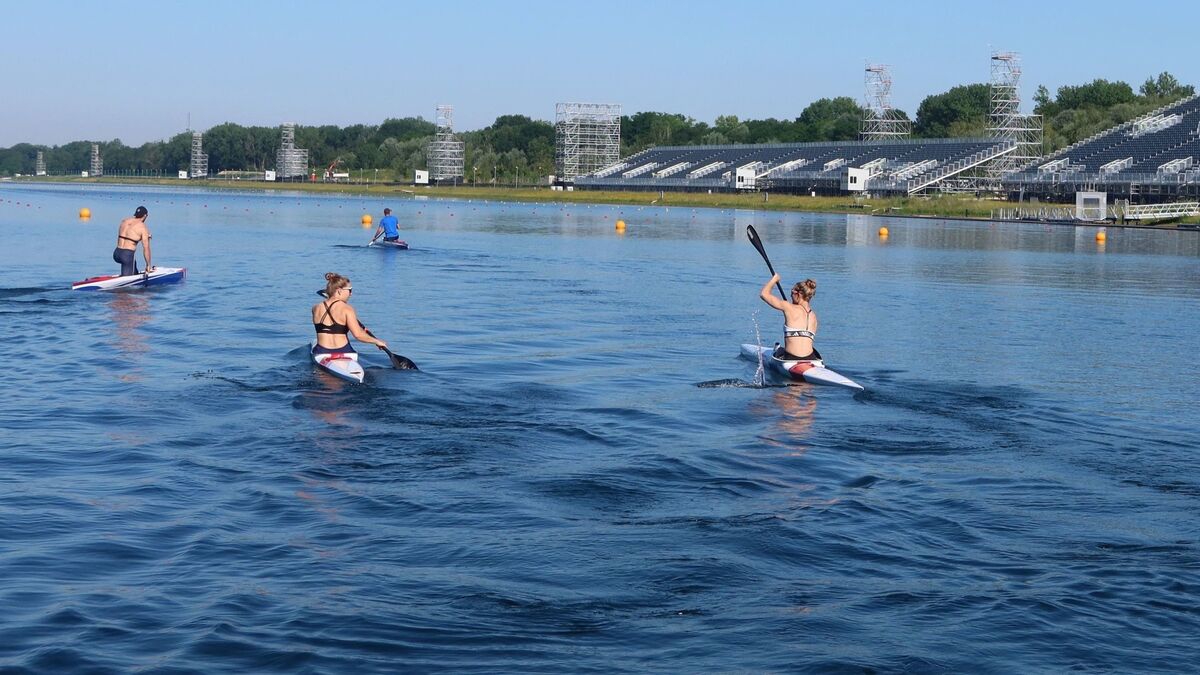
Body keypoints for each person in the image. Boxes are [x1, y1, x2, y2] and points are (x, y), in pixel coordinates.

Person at [312, 272, 388, 356]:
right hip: (344, 351)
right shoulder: (347, 309)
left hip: (321, 352)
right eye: (349, 290)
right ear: (339, 291)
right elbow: (358, 335)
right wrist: (376, 341)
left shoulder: (316, 308)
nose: (351, 294)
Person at [759, 273, 821, 360]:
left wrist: (774, 279)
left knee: (779, 350)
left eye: (791, 294)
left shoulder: (788, 307)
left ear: (798, 294)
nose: (791, 298)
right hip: (810, 358)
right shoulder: (814, 317)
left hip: (791, 358)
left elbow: (764, 294)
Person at [114, 206, 152, 276]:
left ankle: (134, 273)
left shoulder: (124, 221)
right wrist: (148, 265)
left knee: (132, 266)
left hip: (117, 253)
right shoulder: (143, 228)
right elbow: (146, 248)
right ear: (145, 216)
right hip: (127, 256)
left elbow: (128, 235)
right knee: (127, 282)